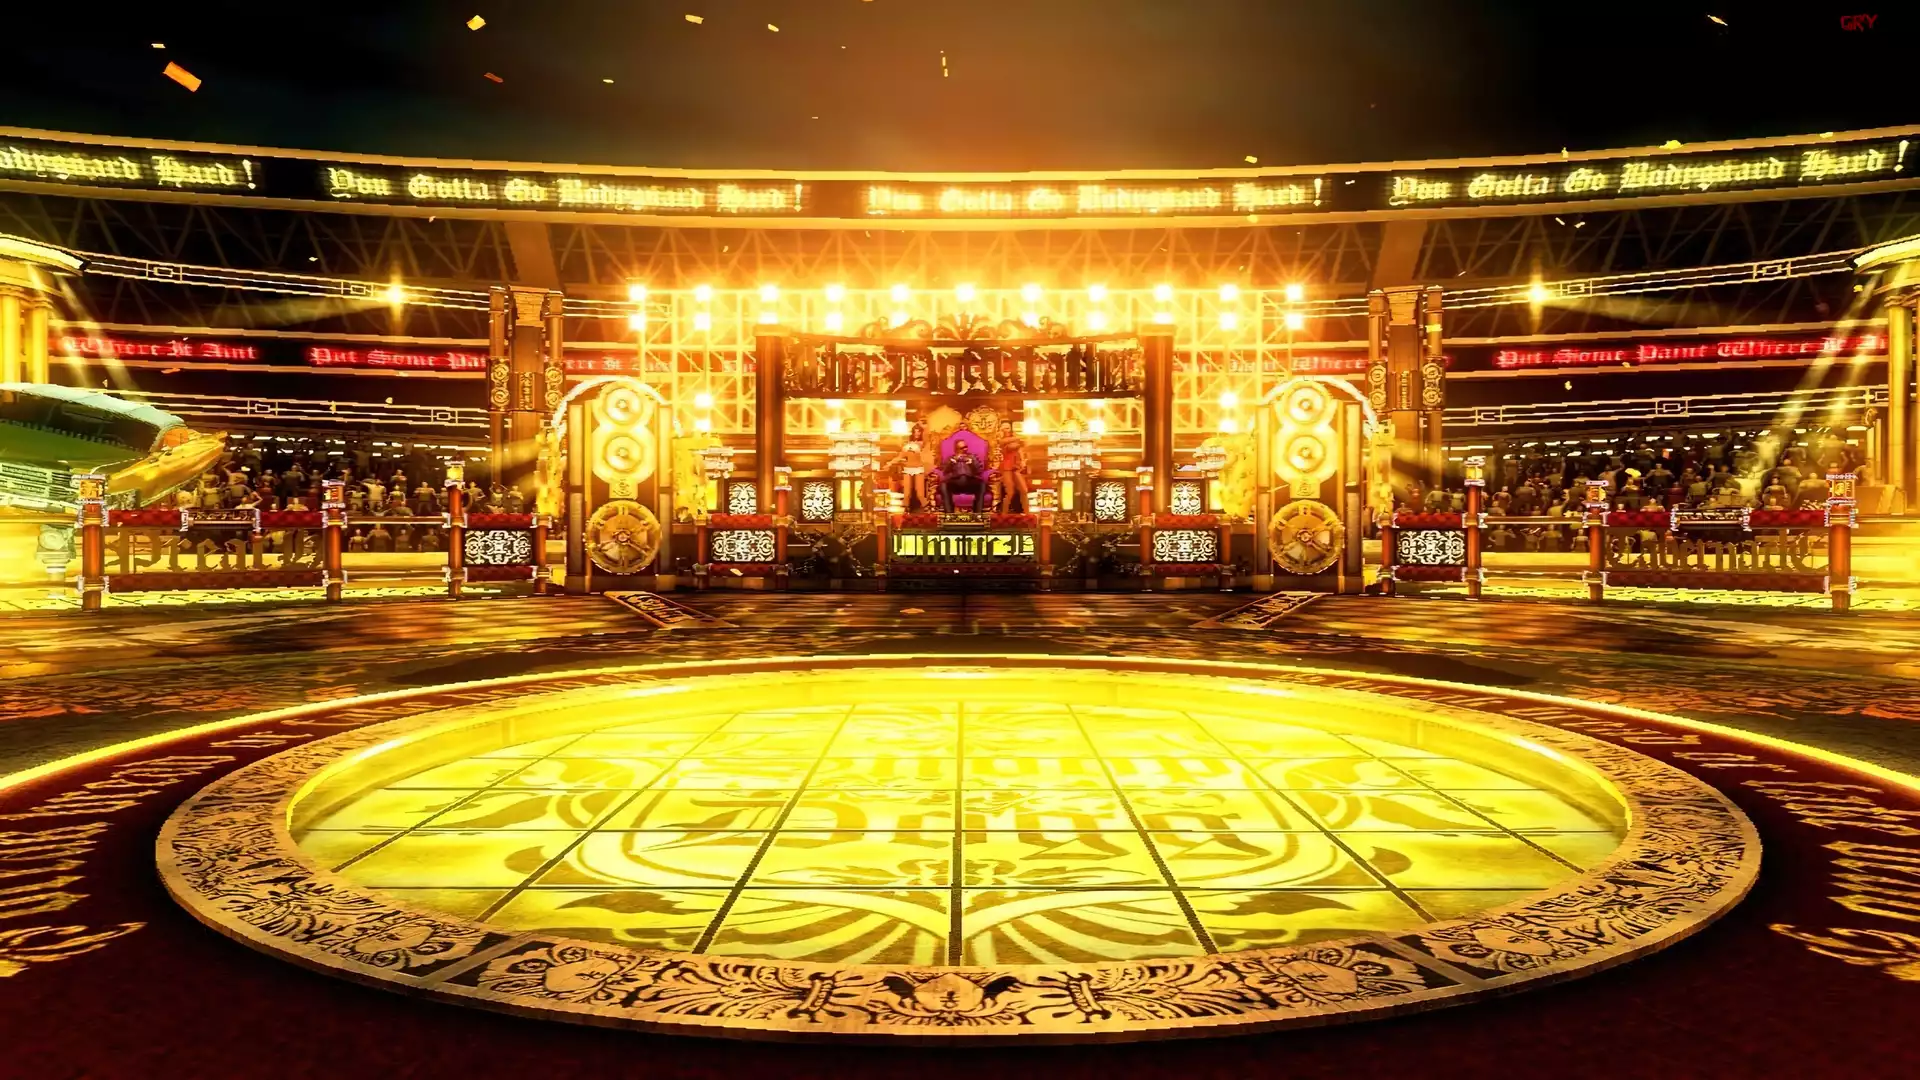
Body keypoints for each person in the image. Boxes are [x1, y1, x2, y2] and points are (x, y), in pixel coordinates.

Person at [994, 421, 1029, 513]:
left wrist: (1022, 460)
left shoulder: (1012, 439)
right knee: (1010, 492)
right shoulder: (1001, 439)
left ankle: (1027, 513)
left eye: (1008, 428)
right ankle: (1004, 513)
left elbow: (1021, 447)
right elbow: (1009, 444)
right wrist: (1018, 438)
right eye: (1004, 428)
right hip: (1007, 467)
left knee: (1024, 490)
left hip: (1015, 466)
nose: (1006, 430)